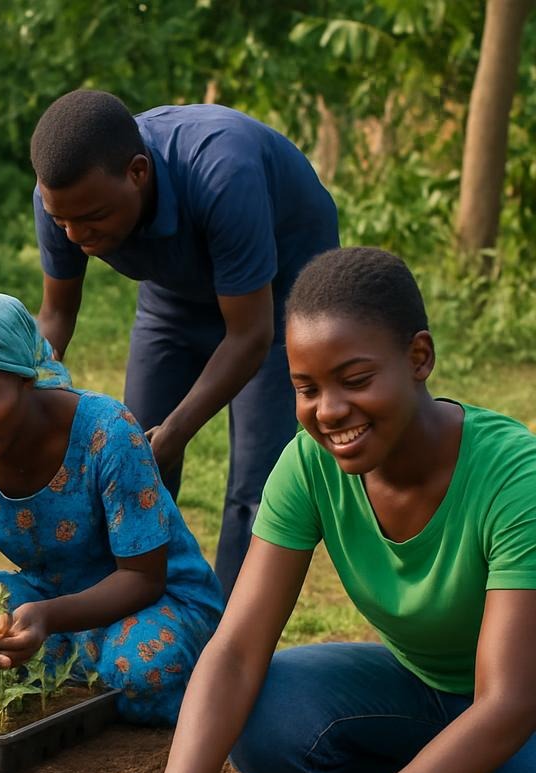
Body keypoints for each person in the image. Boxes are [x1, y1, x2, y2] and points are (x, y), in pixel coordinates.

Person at [100, 247, 536, 773]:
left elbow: (511, 702)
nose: (330, 411)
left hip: (521, 705)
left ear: (418, 357)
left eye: (354, 378)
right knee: (264, 717)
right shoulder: (311, 465)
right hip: (430, 690)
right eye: (306, 387)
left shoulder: (513, 477)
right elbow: (237, 649)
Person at [30, 89, 340, 596]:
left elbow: (250, 334)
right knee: (138, 464)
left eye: (92, 219)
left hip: (285, 297)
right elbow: (56, 316)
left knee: (260, 489)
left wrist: (175, 432)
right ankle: (143, 614)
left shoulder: (223, 171)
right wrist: (28, 393)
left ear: (138, 172)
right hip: (174, 294)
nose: (74, 233)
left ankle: (231, 642)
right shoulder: (62, 199)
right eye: (61, 219)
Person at [0, 293, 223, 725]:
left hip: (153, 601)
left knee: (141, 666)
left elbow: (143, 578)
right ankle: (71, 669)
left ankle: (163, 674)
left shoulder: (107, 432)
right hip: (45, 600)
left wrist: (48, 618)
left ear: (25, 381)